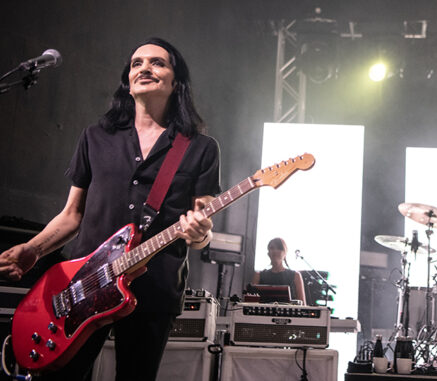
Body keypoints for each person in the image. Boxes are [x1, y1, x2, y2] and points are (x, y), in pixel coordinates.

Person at [0, 38, 220, 380]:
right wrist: (34, 248)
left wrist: (200, 234)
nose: (145, 68)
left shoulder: (201, 148)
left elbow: (200, 229)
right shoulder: (95, 137)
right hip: (82, 285)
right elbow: (72, 214)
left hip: (154, 288)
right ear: (127, 82)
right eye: (136, 63)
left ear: (176, 82)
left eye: (157, 63)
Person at [251, 238, 307, 305]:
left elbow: (303, 305)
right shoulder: (258, 275)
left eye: (279, 248)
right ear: (268, 253)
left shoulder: (296, 275)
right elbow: (250, 303)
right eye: (272, 248)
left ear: (285, 253)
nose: (275, 251)